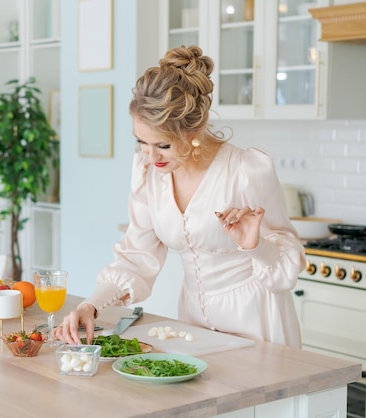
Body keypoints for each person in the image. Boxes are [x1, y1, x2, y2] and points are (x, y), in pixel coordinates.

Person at [53, 45, 305, 348]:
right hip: (193, 328)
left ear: (194, 129)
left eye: (163, 145)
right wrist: (90, 305)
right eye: (142, 142)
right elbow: (136, 256)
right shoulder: (148, 173)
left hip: (258, 325)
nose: (151, 155)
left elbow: (287, 260)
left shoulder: (246, 170)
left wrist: (255, 245)